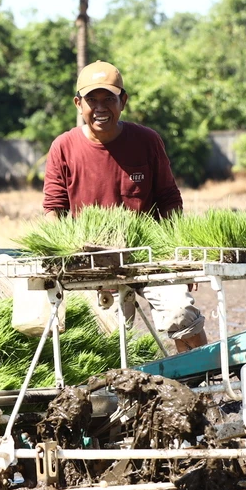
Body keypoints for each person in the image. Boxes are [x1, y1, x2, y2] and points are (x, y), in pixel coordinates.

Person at [43, 60, 209, 353]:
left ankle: (199, 381)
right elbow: (54, 209)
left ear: (124, 100)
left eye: (109, 98)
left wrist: (181, 258)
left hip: (148, 255)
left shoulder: (146, 141)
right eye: (92, 100)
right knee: (106, 344)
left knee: (180, 313)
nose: (100, 107)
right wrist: (66, 259)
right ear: (78, 104)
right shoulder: (64, 147)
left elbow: (169, 200)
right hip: (92, 262)